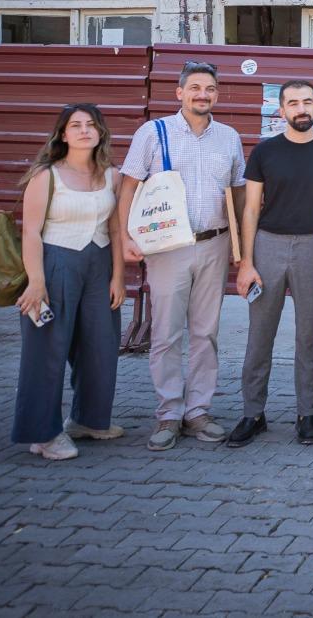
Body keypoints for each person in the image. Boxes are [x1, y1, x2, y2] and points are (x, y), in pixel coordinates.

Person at [118, 61, 246, 452]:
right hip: (167, 248)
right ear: (179, 93)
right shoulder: (153, 133)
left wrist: (242, 246)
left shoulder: (229, 137)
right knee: (166, 333)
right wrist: (124, 235)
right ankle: (168, 413)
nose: (202, 95)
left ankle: (198, 412)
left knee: (205, 332)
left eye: (209, 88)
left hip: (214, 243)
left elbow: (238, 191)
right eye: (194, 88)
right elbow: (128, 187)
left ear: (217, 94)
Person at [228, 81, 313, 449]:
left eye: (307, 102)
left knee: (309, 335)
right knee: (260, 334)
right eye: (292, 102)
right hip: (269, 246)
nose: (301, 108)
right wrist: (246, 263)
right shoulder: (264, 152)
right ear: (280, 110)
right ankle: (253, 414)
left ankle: (306, 414)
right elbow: (250, 209)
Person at [11, 104, 126, 461]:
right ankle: (42, 434)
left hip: (99, 263)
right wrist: (35, 282)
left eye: (91, 125)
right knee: (47, 350)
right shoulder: (47, 175)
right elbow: (30, 231)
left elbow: (115, 229)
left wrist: (119, 277)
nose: (83, 131)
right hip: (56, 261)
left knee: (100, 344)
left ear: (100, 132)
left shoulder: (112, 175)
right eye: (75, 125)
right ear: (63, 134)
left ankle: (89, 419)